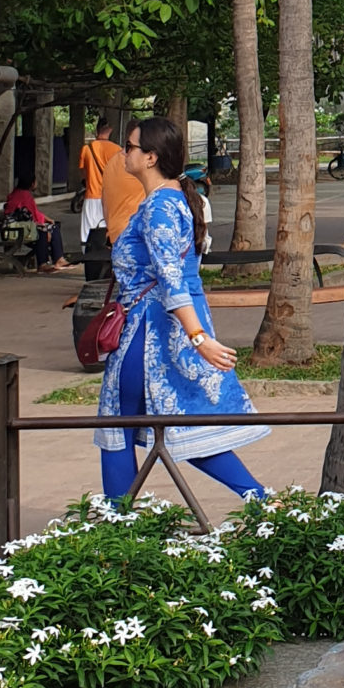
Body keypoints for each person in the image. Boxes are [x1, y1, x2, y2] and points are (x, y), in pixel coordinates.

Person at [94, 116, 268, 505]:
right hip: (162, 329)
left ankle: (116, 527)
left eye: (131, 146)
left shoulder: (160, 207)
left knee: (121, 424)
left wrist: (199, 339)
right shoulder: (168, 201)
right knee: (175, 422)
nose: (124, 152)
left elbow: (171, 278)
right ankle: (259, 499)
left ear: (151, 157)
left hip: (150, 331)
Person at [3, 182, 68, 271]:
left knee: (52, 227)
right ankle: (46, 262)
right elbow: (31, 217)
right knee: (44, 232)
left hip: (21, 227)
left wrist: (46, 219)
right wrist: (45, 226)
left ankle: (58, 259)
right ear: (32, 183)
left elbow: (32, 213)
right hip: (19, 230)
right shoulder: (24, 195)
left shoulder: (17, 193)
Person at [77, 116, 118, 243]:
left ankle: (88, 256)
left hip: (91, 195)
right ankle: (105, 254)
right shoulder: (117, 150)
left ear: (97, 130)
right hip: (110, 197)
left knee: (87, 230)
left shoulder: (86, 149)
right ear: (110, 130)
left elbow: (83, 174)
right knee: (107, 227)